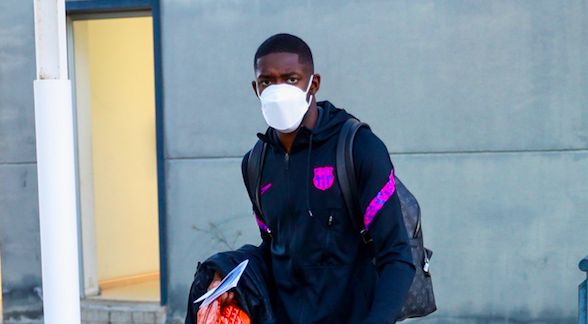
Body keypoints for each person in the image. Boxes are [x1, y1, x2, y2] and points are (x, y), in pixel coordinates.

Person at [190, 33, 416, 324]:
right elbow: (276, 249)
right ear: (255, 88)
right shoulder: (255, 164)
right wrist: (229, 276)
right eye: (267, 82)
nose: (278, 90)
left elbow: (397, 255)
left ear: (314, 83)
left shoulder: (358, 148)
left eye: (291, 78)